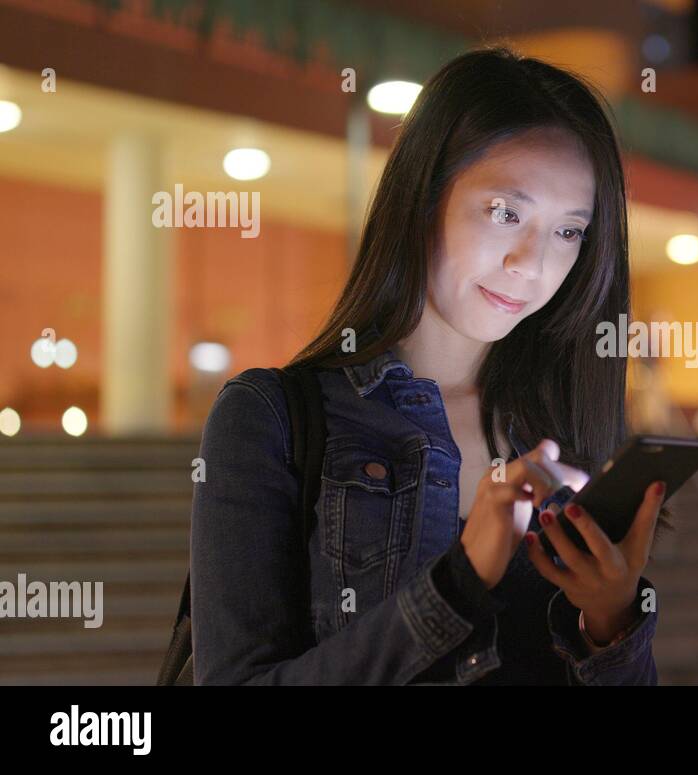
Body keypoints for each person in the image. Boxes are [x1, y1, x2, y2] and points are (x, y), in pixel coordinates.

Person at [190, 48, 663, 685]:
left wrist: (610, 626)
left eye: (570, 231)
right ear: (425, 197)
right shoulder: (273, 419)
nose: (534, 263)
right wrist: (457, 584)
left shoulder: (563, 435)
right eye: (506, 212)